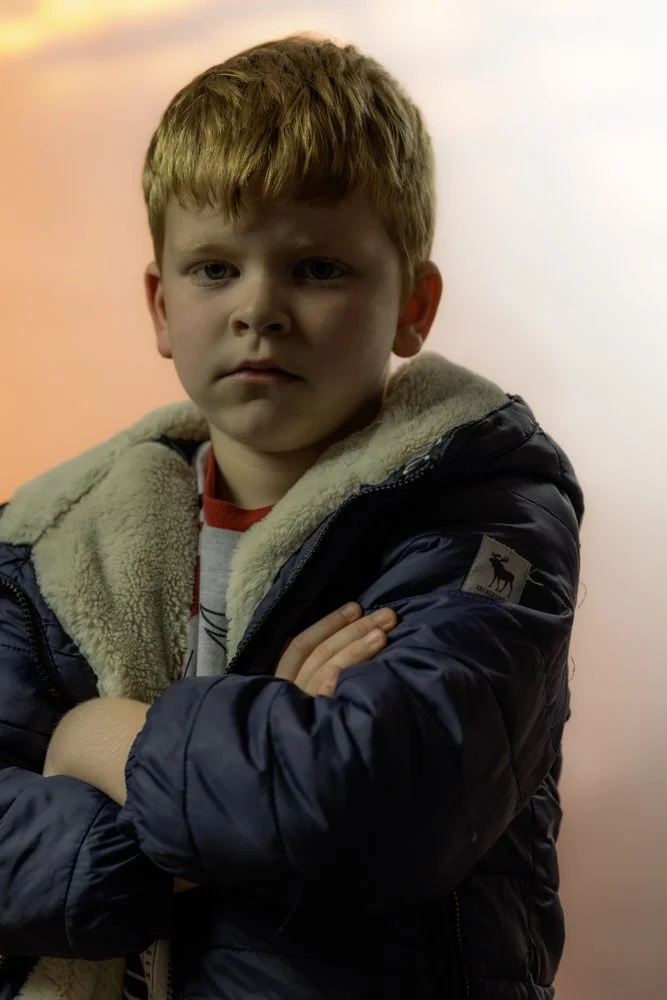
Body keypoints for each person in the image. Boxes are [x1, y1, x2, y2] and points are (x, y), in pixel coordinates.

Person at [0, 34, 584, 1000]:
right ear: (158, 305)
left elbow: (382, 802)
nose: (259, 309)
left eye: (316, 269)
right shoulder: (46, 540)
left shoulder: (484, 515)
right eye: (214, 268)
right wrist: (253, 758)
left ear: (414, 305)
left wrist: (100, 739)